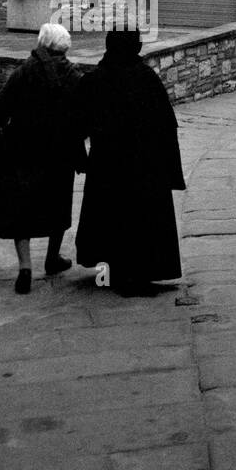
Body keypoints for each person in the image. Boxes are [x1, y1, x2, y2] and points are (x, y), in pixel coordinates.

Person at [73, 27, 184, 294]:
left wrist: (80, 157)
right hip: (146, 164)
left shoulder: (95, 80)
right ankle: (140, 272)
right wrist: (169, 167)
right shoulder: (146, 78)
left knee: (113, 216)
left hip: (107, 164)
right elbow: (167, 124)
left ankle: (117, 271)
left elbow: (76, 123)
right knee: (143, 218)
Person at [0, 22, 85, 294]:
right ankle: (52, 259)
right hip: (59, 152)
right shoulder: (74, 76)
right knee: (57, 204)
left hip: (22, 150)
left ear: (43, 44)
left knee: (21, 209)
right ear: (63, 48)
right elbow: (82, 117)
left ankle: (25, 268)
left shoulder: (23, 73)